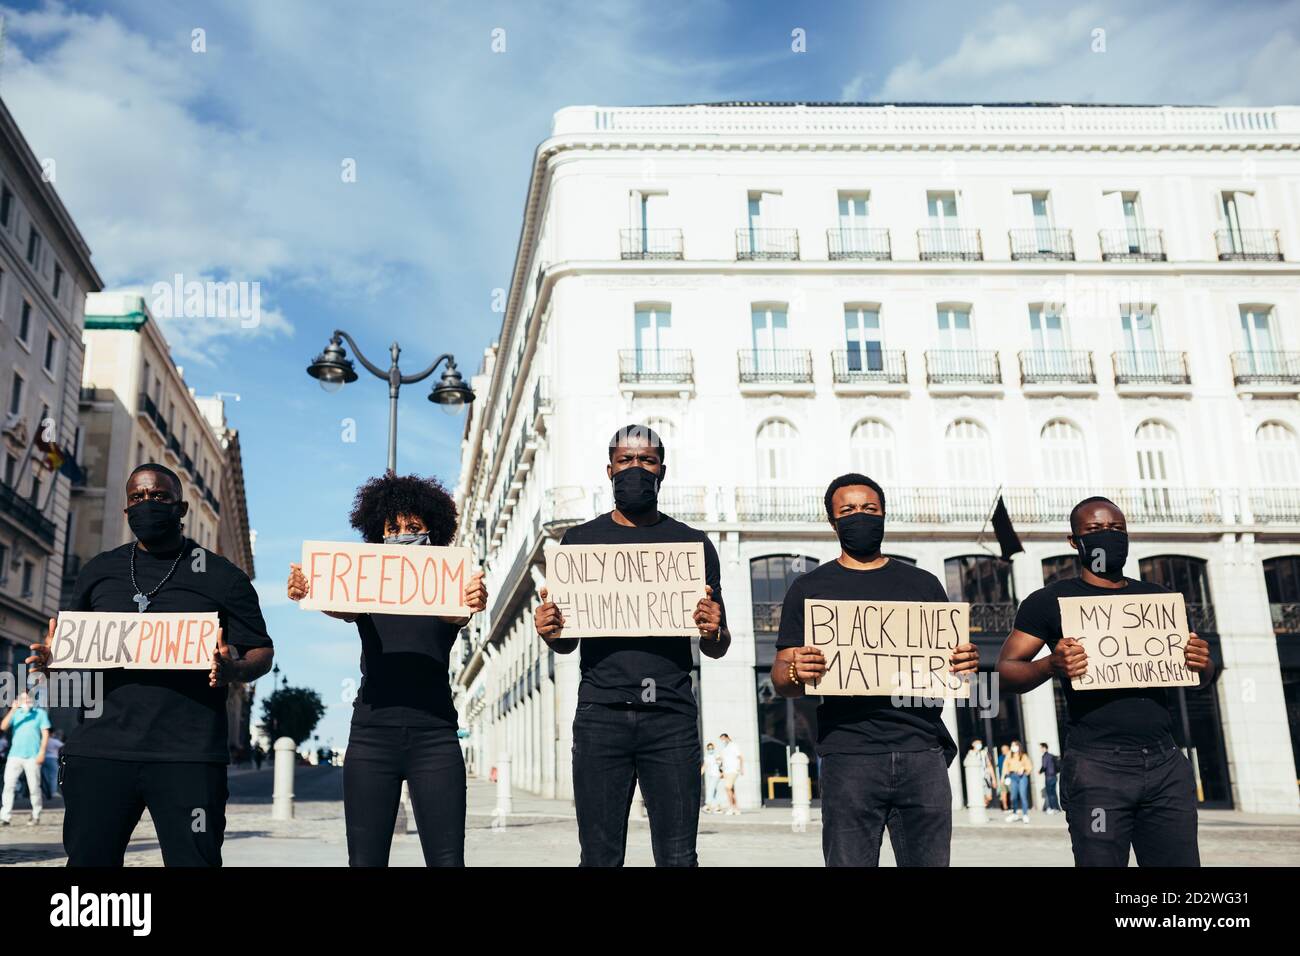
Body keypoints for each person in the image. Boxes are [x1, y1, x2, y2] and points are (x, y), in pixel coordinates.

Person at [27, 462, 274, 866]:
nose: (147, 504)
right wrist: (55, 664)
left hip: (188, 756)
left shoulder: (222, 576)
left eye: (158, 496)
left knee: (194, 861)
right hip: (100, 752)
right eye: (137, 498)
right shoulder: (99, 571)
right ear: (126, 511)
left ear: (181, 509)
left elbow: (261, 651)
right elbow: (75, 660)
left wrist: (235, 670)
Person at [534, 424, 728, 867]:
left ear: (662, 471)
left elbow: (717, 645)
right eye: (626, 461)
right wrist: (551, 631)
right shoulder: (579, 543)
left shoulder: (693, 544)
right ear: (609, 470)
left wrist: (714, 628)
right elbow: (566, 644)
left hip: (672, 719)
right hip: (600, 716)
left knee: (679, 857)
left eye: (646, 461)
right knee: (599, 857)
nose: (635, 469)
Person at [770, 473, 979, 867]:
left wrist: (964, 662)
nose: (860, 516)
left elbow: (954, 666)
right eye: (848, 510)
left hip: (922, 753)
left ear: (884, 515)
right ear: (833, 522)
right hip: (849, 756)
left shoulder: (923, 583)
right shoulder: (809, 588)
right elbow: (782, 679)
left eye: (870, 509)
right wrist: (797, 669)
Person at [996, 496, 1216, 866]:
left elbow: (1202, 676)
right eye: (1095, 530)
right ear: (1074, 541)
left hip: (1164, 764)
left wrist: (1203, 663)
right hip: (1097, 768)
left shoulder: (1158, 599)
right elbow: (1005, 671)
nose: (1108, 537)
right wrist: (1051, 664)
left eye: (1116, 529)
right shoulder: (1049, 601)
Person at [287, 472, 487, 867]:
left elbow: (455, 616)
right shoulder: (366, 587)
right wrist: (309, 591)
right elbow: (340, 605)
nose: (403, 534)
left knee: (448, 861)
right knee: (365, 861)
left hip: (435, 737)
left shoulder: (452, 583)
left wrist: (472, 597)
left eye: (414, 527)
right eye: (393, 528)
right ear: (378, 535)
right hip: (370, 737)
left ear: (434, 530)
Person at [1, 691, 49, 826]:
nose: (26, 700)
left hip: (33, 756)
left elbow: (45, 734)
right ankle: (5, 816)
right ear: (18, 700)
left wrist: (42, 753)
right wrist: (13, 710)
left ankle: (36, 814)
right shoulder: (16, 713)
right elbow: (3, 726)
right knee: (8, 786)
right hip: (14, 755)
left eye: (28, 698)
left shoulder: (40, 714)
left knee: (34, 787)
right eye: (23, 698)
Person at [1002, 739, 1032, 823]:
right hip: (1012, 776)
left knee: (1023, 796)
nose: (1013, 747)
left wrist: (1024, 769)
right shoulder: (1009, 756)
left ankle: (1025, 815)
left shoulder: (1023, 756)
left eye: (1015, 745)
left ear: (1019, 746)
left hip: (1022, 777)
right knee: (1013, 797)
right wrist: (1006, 777)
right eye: (1012, 746)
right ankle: (1014, 814)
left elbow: (1029, 766)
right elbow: (1005, 766)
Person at [964, 739, 996, 808]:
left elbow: (989, 765)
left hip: (985, 777)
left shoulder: (984, 753)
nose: (979, 744)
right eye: (977, 743)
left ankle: (983, 807)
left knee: (989, 797)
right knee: (978, 796)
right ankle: (981, 810)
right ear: (973, 744)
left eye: (980, 743)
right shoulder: (970, 754)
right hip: (975, 779)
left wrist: (993, 779)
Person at [718, 732, 743, 815]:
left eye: (723, 739)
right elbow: (722, 760)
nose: (722, 741)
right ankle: (736, 808)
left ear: (727, 737)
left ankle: (731, 807)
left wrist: (741, 768)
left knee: (727, 788)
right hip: (726, 771)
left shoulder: (734, 746)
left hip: (733, 770)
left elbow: (740, 757)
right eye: (721, 740)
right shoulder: (724, 748)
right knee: (731, 790)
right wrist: (721, 771)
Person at [700, 742, 723, 813]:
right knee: (714, 792)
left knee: (710, 790)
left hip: (716, 775)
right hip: (711, 776)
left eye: (712, 748)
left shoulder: (716, 755)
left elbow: (721, 763)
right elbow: (705, 766)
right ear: (707, 749)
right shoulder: (707, 757)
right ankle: (718, 807)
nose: (711, 750)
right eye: (709, 748)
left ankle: (708, 805)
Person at [42, 729, 64, 800]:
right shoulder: (54, 741)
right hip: (52, 759)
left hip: (43, 758)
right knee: (54, 776)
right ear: (52, 733)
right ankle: (53, 792)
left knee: (45, 777)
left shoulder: (42, 740)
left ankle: (45, 792)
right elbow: (64, 746)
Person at [1040, 742, 1060, 814]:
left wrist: (1039, 771)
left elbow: (1044, 766)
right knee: (1054, 793)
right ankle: (1057, 808)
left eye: (1041, 748)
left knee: (1050, 793)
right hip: (1054, 776)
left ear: (1045, 748)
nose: (1040, 749)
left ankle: (1052, 808)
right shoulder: (1052, 756)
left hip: (1049, 777)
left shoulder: (1045, 756)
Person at [997, 744, 1011, 811]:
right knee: (1004, 792)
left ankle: (1010, 805)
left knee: (1011, 792)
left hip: (1011, 777)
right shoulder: (1000, 758)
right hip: (1004, 777)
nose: (1003, 751)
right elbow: (1000, 769)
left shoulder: (1012, 757)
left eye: (1005, 750)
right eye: (1002, 750)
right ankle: (1005, 807)